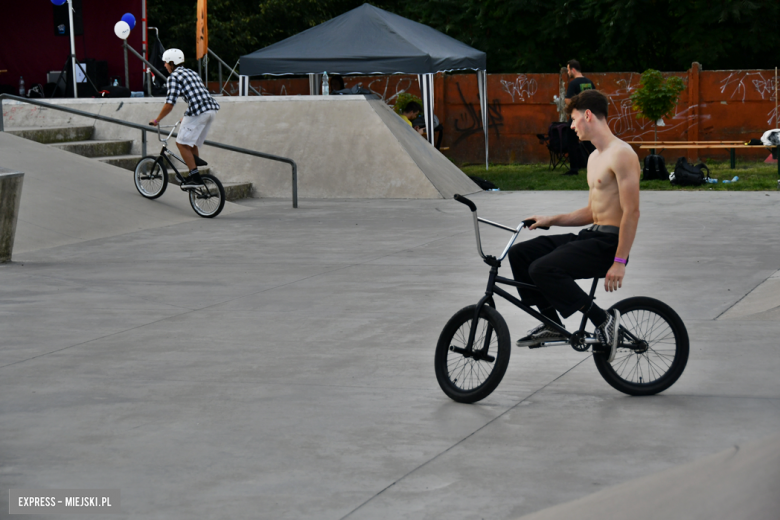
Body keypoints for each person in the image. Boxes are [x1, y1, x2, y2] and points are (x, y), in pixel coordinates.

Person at [509, 89, 640, 362]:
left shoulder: (622, 154)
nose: (571, 125)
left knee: (542, 268)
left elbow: (632, 212)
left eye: (574, 118)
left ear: (588, 115)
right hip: (589, 237)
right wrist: (551, 220)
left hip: (608, 245)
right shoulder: (594, 158)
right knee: (520, 255)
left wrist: (619, 261)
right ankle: (550, 323)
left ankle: (602, 320)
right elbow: (594, 211)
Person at [149, 48, 220, 189]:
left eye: (165, 63)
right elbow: (198, 94)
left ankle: (194, 176)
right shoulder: (191, 72)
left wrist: (157, 120)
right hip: (211, 110)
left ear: (171, 63)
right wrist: (187, 116)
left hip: (199, 112)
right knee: (190, 142)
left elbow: (170, 104)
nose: (164, 66)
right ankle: (195, 166)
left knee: (181, 144)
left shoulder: (174, 77)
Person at [563, 60, 596, 176]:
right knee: (588, 142)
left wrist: (571, 105)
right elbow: (595, 98)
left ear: (573, 69)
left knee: (571, 142)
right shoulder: (590, 82)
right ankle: (599, 164)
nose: (567, 73)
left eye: (568, 70)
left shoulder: (573, 83)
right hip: (588, 117)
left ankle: (574, 169)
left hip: (576, 117)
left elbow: (568, 100)